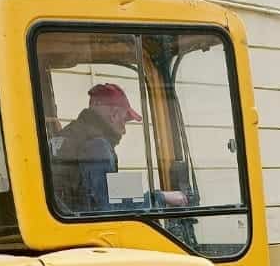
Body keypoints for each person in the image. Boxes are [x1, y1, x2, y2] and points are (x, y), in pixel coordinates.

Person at [49, 82, 185, 214]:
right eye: (124, 120)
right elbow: (109, 208)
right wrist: (162, 197)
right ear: (114, 114)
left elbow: (92, 186)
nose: (124, 131)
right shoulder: (97, 146)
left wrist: (137, 190)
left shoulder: (70, 135)